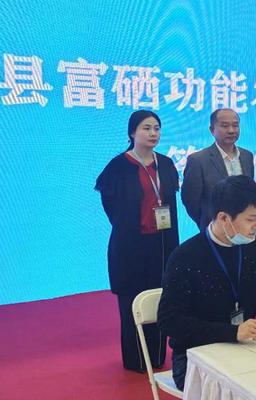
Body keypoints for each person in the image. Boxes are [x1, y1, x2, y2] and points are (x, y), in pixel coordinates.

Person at [157, 175, 256, 390]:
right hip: (196, 355)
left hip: (246, 344)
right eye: (250, 219)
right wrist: (231, 332)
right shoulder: (186, 256)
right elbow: (170, 321)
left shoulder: (253, 245)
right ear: (223, 218)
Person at [95, 110, 180, 372]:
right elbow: (110, 205)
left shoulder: (166, 163)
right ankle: (136, 360)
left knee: (161, 298)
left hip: (163, 244)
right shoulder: (118, 166)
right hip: (131, 246)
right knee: (133, 301)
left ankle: (157, 356)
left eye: (157, 128)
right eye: (146, 128)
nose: (153, 133)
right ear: (132, 132)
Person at [181, 108, 254, 230]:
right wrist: (206, 222)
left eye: (235, 125)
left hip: (244, 228)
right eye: (225, 126)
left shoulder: (247, 156)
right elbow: (190, 200)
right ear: (212, 129)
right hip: (214, 229)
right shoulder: (198, 160)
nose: (231, 130)